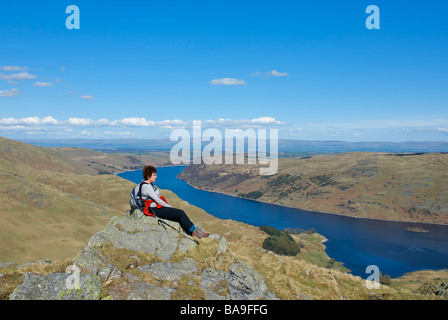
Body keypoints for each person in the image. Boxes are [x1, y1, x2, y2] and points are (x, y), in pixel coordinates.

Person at [130, 165, 209, 239]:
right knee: (180, 213)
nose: (156, 176)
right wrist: (169, 207)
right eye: (154, 175)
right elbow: (157, 200)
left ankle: (191, 233)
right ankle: (194, 232)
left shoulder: (144, 184)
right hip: (153, 209)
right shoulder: (147, 187)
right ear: (148, 176)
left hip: (154, 207)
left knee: (178, 216)